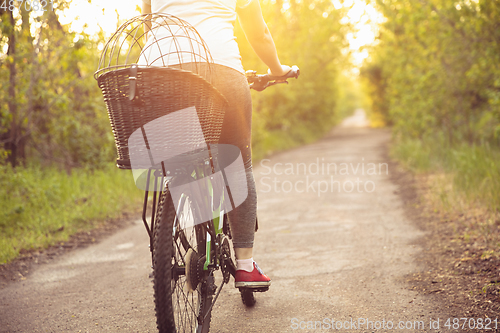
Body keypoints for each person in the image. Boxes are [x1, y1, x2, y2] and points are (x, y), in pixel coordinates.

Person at [141, 0, 291, 289]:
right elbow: (259, 34)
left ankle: (162, 254)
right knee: (237, 164)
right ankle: (246, 267)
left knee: (174, 157)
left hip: (159, 71)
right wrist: (278, 69)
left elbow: (148, 24)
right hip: (219, 68)